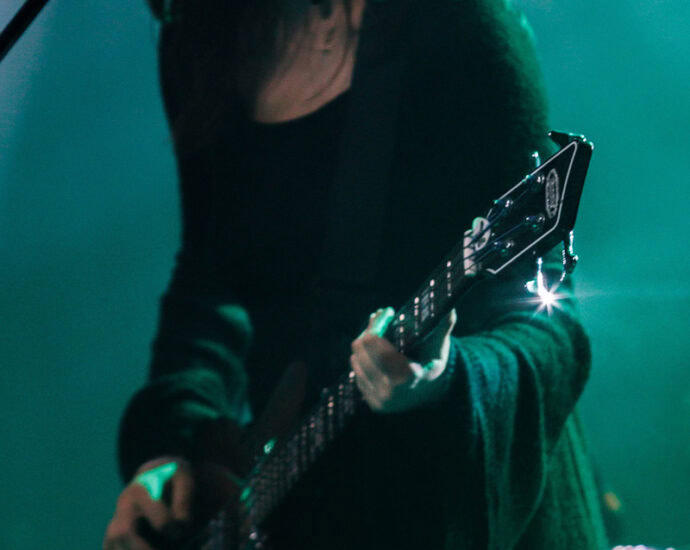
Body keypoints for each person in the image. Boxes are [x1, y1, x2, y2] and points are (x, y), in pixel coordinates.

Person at [103, 0, 609, 548]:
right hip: (295, 505)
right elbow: (208, 282)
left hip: (450, 506)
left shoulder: (458, 22)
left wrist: (445, 378)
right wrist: (172, 448)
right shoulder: (199, 45)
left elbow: (550, 325)